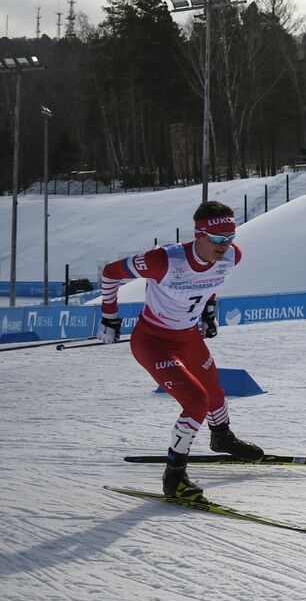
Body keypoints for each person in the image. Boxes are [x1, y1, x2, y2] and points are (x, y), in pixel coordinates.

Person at [99, 201, 263, 501]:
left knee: (214, 388)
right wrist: (109, 316)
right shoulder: (163, 260)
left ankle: (222, 436)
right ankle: (174, 475)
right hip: (153, 341)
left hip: (188, 337)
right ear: (199, 234)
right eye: (217, 239)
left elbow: (210, 281)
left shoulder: (231, 257)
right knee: (196, 400)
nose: (225, 245)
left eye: (230, 237)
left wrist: (209, 311)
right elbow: (110, 273)